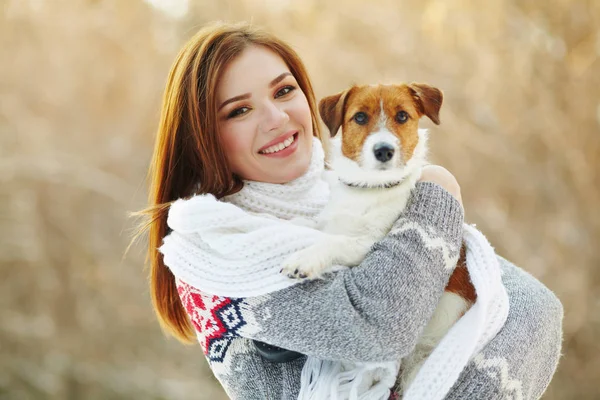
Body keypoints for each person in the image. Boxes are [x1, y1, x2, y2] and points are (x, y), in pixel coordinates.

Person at [137, 21, 563, 399]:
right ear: (201, 138)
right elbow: (379, 327)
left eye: (285, 91)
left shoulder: (343, 196)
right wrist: (437, 192)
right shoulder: (216, 254)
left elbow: (535, 308)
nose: (276, 118)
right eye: (239, 110)